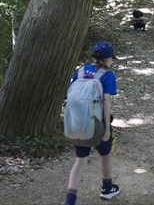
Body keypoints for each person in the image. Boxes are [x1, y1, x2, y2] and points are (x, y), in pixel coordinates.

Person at [65, 41, 120, 205]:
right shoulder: (107, 75)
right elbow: (106, 102)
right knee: (105, 155)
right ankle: (107, 187)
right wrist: (107, 131)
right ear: (108, 58)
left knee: (80, 161)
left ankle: (70, 201)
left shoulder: (80, 72)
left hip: (78, 125)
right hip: (98, 125)